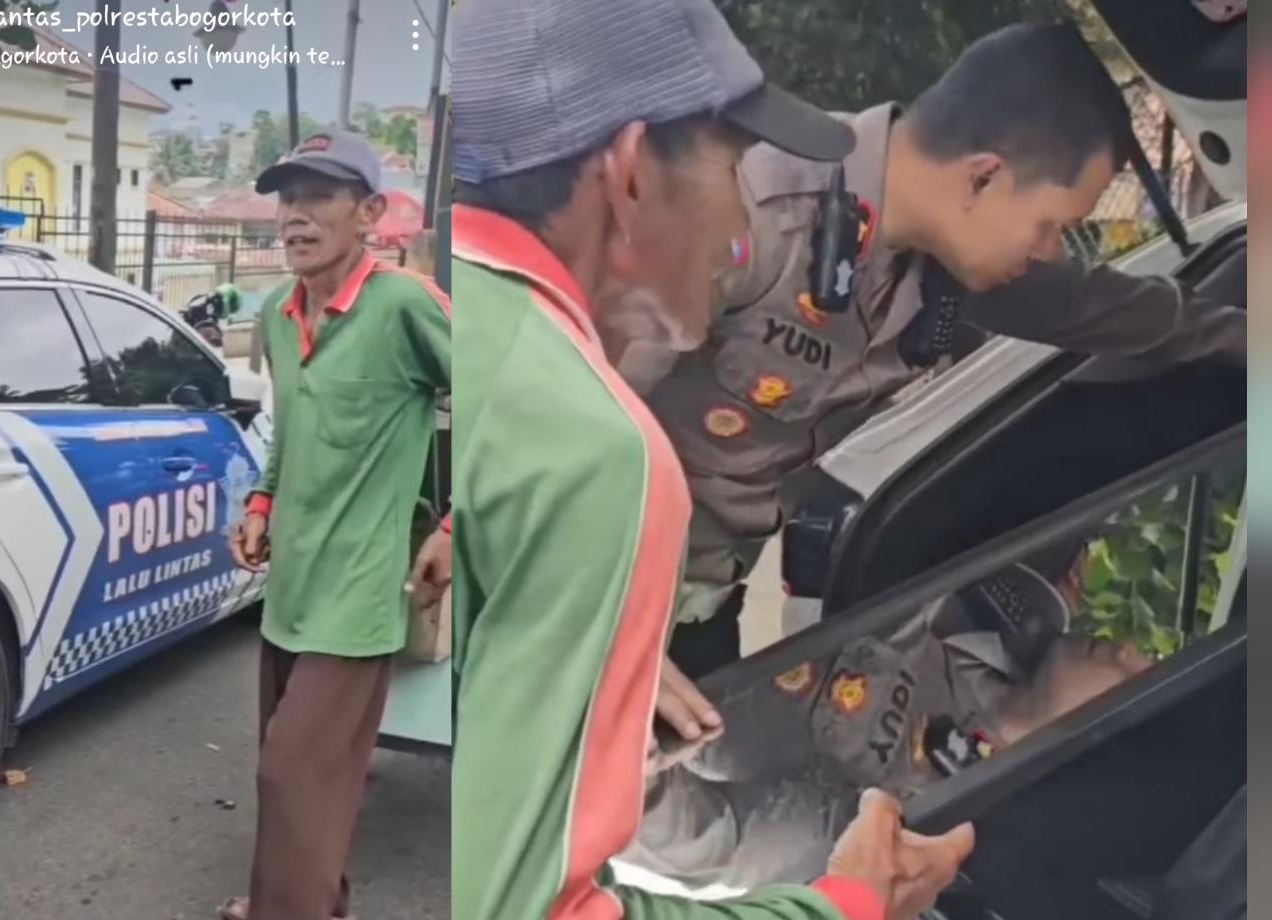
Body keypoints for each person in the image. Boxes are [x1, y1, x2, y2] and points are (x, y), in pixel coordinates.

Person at [450, 0, 975, 918]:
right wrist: (843, 903)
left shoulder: (460, 333)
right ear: (629, 175)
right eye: (734, 167)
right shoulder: (596, 449)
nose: (746, 209)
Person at [638, 23, 1247, 686]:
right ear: (984, 177)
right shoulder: (756, 212)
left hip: (699, 600)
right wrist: (610, 630)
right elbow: (577, 416)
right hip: (596, 587)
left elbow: (1112, 310)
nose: (1047, 252)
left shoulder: (942, 267)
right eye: (1053, 227)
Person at [223, 129, 452, 920]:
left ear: (370, 213)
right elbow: (289, 429)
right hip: (290, 586)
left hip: (358, 598)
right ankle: (298, 900)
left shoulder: (405, 305)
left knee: (292, 772)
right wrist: (261, 503)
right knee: (298, 778)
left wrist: (458, 526)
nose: (295, 216)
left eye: (319, 196)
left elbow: (504, 407)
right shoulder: (279, 315)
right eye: (288, 198)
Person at [627, 563, 1153, 893]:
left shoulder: (919, 813)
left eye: (1140, 675)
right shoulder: (998, 611)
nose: (1130, 649)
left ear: (1103, 745)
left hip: (650, 699)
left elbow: (711, 839)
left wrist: (623, 743)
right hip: (698, 586)